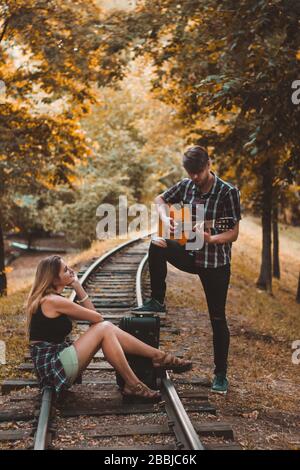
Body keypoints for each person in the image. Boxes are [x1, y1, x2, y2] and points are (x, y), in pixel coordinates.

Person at [133, 146, 241, 395]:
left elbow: (233, 232)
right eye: (190, 172)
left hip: (215, 263)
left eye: (199, 172)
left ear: (209, 164)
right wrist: (166, 217)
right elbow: (160, 199)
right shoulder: (187, 185)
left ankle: (220, 374)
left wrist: (210, 238)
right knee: (157, 244)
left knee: (217, 318)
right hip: (190, 255)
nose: (195, 177)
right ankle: (158, 300)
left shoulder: (227, 192)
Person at [26, 255, 192, 401]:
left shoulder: (50, 299)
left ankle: (155, 359)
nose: (70, 271)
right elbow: (96, 318)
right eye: (65, 270)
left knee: (106, 329)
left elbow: (94, 320)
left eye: (68, 268)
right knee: (105, 328)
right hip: (53, 367)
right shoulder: (53, 301)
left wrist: (76, 285)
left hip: (56, 364)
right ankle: (145, 371)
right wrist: (78, 286)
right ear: (54, 279)